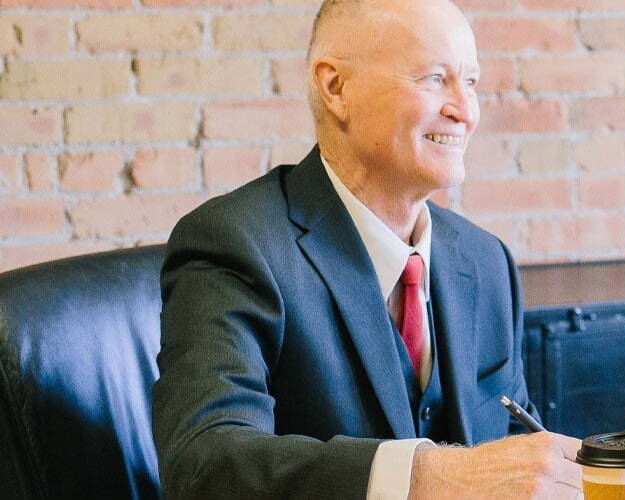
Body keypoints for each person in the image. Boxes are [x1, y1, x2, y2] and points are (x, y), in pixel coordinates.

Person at [151, 0, 580, 498]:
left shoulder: (486, 261)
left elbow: (513, 456)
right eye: (434, 78)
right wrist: (426, 475)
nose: (465, 111)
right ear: (336, 88)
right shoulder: (237, 243)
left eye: (472, 81)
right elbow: (204, 464)